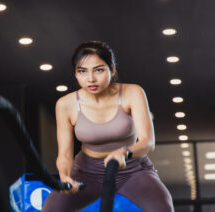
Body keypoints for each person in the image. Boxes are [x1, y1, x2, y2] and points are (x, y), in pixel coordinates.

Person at [42, 41, 174, 212]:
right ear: (76, 74)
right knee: (51, 209)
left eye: (99, 70)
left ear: (112, 70)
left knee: (163, 207)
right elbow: (65, 154)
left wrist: (123, 152)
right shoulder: (66, 104)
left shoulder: (132, 93)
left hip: (133, 170)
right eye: (83, 71)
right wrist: (66, 177)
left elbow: (148, 142)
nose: (91, 78)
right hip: (87, 172)